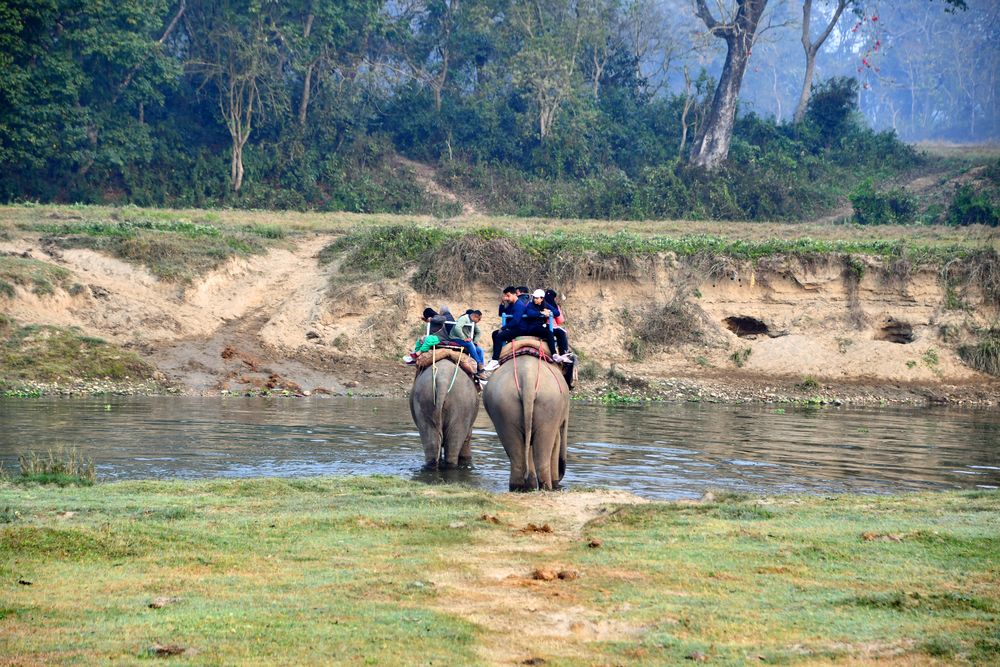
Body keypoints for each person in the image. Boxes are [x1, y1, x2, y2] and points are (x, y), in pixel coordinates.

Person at [485, 287, 528, 370]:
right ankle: (497, 355)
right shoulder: (512, 304)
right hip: (514, 328)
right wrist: (502, 304)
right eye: (505, 296)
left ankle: (495, 360)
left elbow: (516, 320)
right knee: (495, 333)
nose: (507, 298)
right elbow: (502, 314)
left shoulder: (519, 305)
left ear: (515, 294)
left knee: (499, 336)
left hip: (520, 329)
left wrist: (504, 328)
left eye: (508, 296)